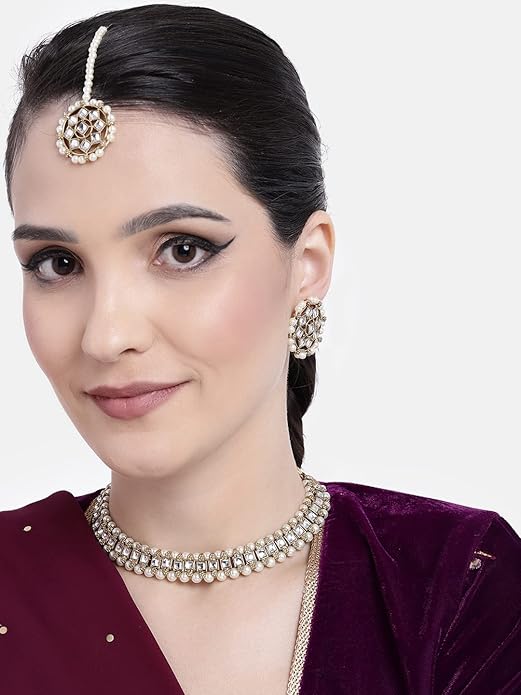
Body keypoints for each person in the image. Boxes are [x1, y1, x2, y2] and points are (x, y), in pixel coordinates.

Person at [1, 5, 519, 694]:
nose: (107, 334)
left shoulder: (452, 585)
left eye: (181, 250)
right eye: (57, 263)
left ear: (306, 265)